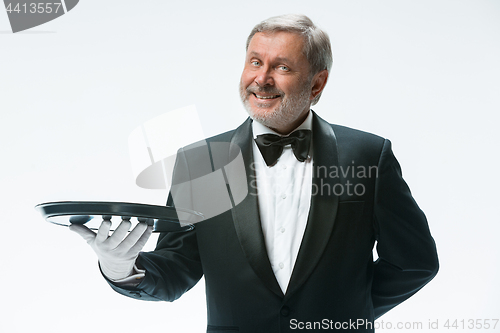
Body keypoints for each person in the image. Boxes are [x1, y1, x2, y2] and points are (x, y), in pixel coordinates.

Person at [71, 14, 438, 333]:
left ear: (317, 84)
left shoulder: (367, 155)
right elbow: (177, 267)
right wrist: (121, 268)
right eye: (255, 62)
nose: (261, 79)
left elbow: (414, 261)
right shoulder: (203, 163)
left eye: (281, 67)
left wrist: (341, 317)